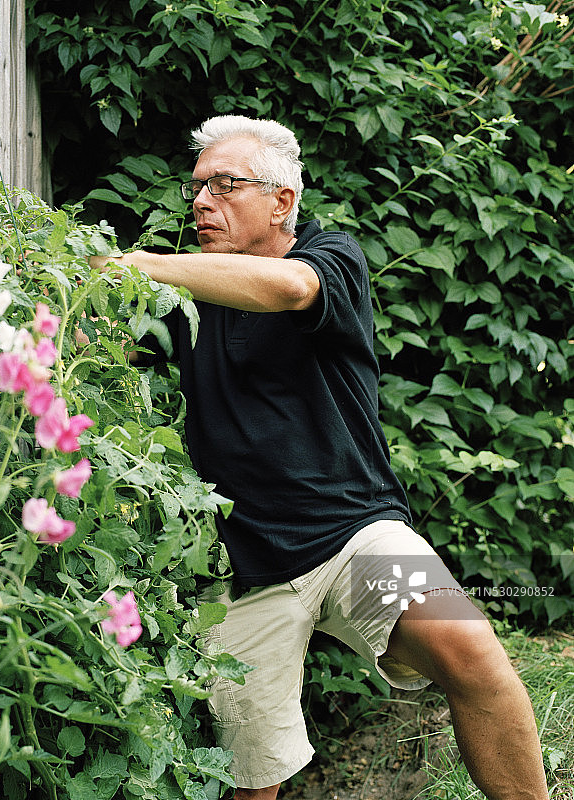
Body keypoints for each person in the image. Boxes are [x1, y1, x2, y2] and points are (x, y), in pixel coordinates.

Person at [90, 115, 549, 800]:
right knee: (253, 781)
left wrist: (140, 264)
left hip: (351, 535)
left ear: (281, 201)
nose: (200, 201)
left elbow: (289, 290)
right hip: (247, 569)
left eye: (224, 184)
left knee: (473, 657)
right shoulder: (183, 301)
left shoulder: (329, 258)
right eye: (195, 187)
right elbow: (101, 350)